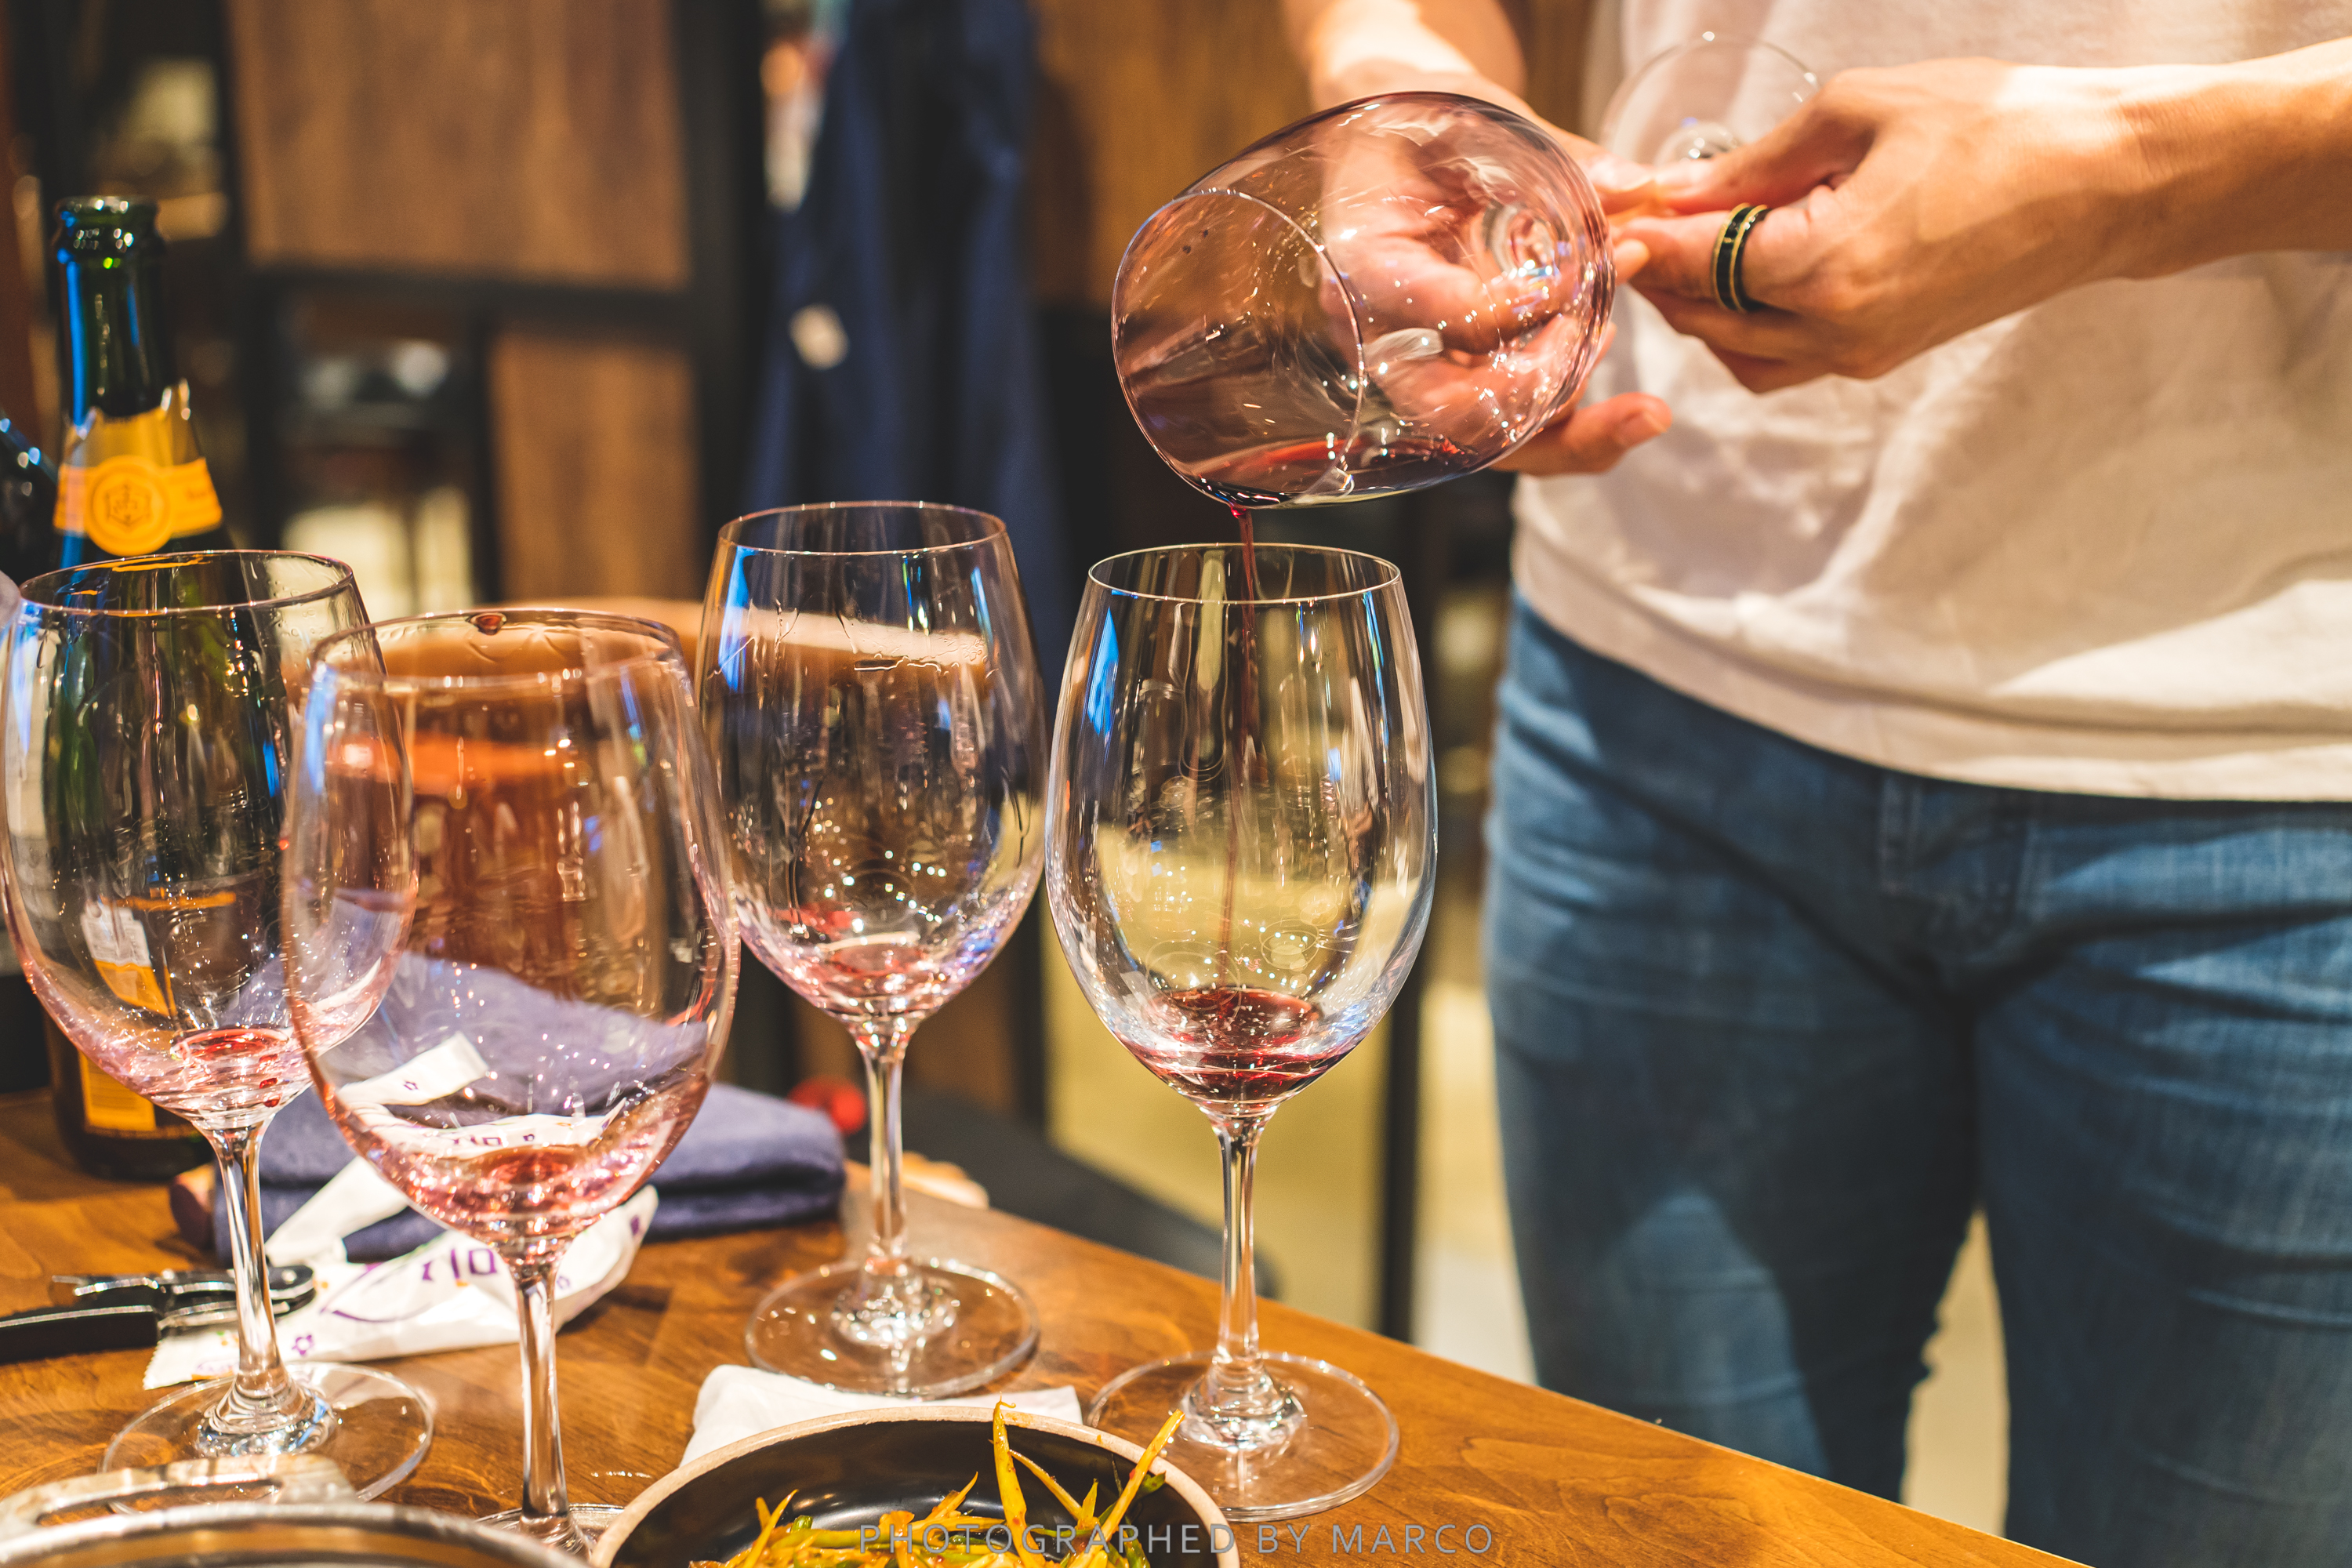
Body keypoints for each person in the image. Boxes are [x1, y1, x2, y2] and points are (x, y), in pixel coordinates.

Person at [1283, 3, 2352, 1563]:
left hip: (2286, 768)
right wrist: (1387, 68)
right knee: (1665, 1537)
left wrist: (2136, 171)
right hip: (1652, 691)